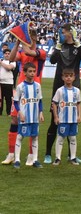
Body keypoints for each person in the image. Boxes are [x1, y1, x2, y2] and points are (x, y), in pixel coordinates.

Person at [44, 23, 81, 164]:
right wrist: (57, 45)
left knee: (72, 122)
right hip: (58, 87)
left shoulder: (77, 47)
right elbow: (51, 60)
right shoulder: (59, 46)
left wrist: (77, 41)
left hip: (74, 88)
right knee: (54, 121)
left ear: (70, 32)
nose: (61, 34)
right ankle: (48, 154)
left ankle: (71, 155)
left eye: (63, 32)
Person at [2, 29, 47, 166]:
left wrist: (24, 39)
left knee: (33, 124)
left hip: (34, 90)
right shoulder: (21, 52)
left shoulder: (41, 53)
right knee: (15, 121)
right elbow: (10, 58)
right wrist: (17, 43)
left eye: (33, 36)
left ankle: (31, 156)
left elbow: (29, 52)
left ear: (36, 38)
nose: (31, 38)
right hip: (21, 90)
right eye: (29, 36)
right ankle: (11, 154)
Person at [13, 62, 44, 168]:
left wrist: (41, 113)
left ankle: (35, 160)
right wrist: (20, 113)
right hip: (24, 116)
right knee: (20, 136)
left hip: (34, 117)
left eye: (34, 71)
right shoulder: (20, 86)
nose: (32, 73)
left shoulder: (38, 85)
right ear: (24, 72)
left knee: (35, 137)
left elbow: (40, 101)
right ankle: (17, 160)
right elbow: (16, 102)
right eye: (30, 71)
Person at [51, 68, 81, 165]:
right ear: (63, 77)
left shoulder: (77, 91)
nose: (68, 78)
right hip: (63, 119)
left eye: (70, 76)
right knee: (61, 138)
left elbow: (78, 103)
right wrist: (56, 117)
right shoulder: (60, 90)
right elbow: (54, 103)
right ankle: (57, 158)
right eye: (66, 76)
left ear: (74, 77)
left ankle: (73, 157)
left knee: (73, 138)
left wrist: (79, 115)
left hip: (73, 119)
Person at [0, 49, 16, 116]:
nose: (7, 55)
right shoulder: (1, 61)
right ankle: (0, 113)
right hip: (1, 83)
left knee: (8, 99)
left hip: (9, 83)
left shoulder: (12, 62)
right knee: (0, 99)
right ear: (3, 54)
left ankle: (8, 113)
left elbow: (9, 68)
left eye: (8, 53)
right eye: (6, 53)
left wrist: (1, 63)